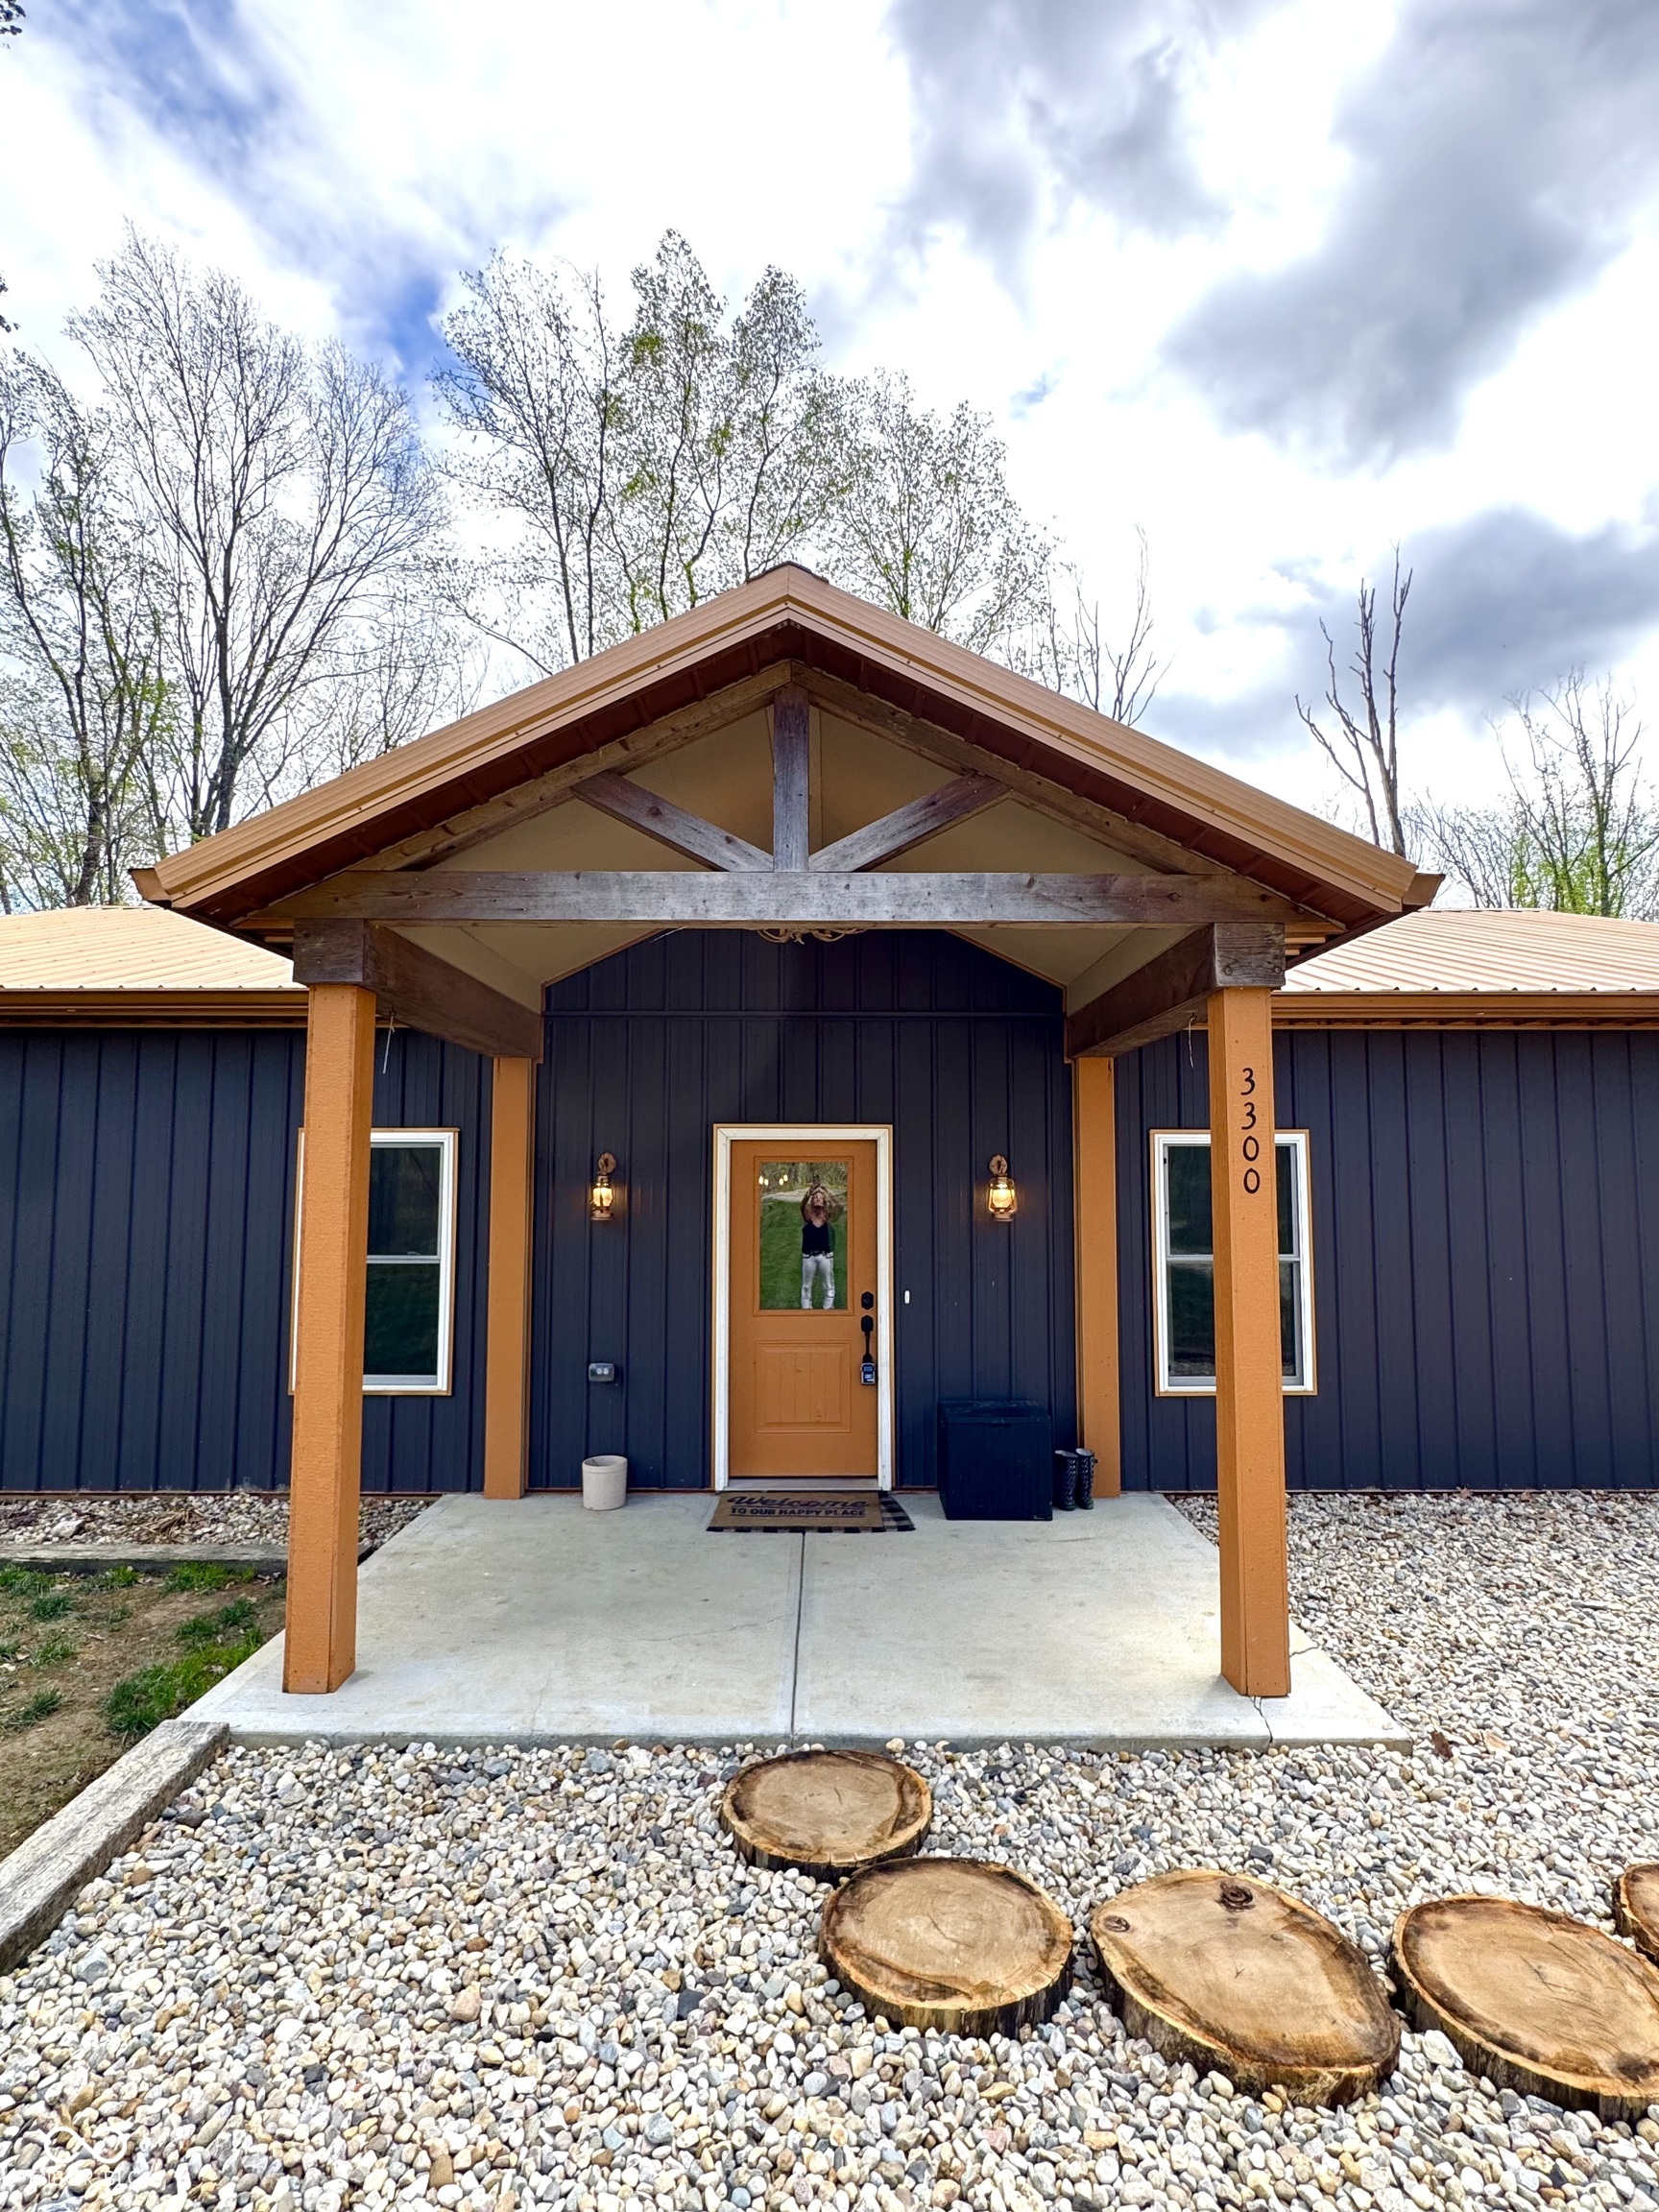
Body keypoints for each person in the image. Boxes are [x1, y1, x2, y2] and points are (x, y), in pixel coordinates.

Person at [800, 1182, 837, 1309]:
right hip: (809, 1257)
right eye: (815, 1197)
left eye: (820, 1198)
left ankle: (828, 1310)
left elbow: (839, 1207)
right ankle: (806, 1310)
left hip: (825, 1256)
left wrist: (828, 1193)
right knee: (806, 1286)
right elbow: (802, 1206)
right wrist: (809, 1192)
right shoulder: (808, 1217)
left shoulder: (827, 1217)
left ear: (824, 1201)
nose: (817, 1199)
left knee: (828, 1286)